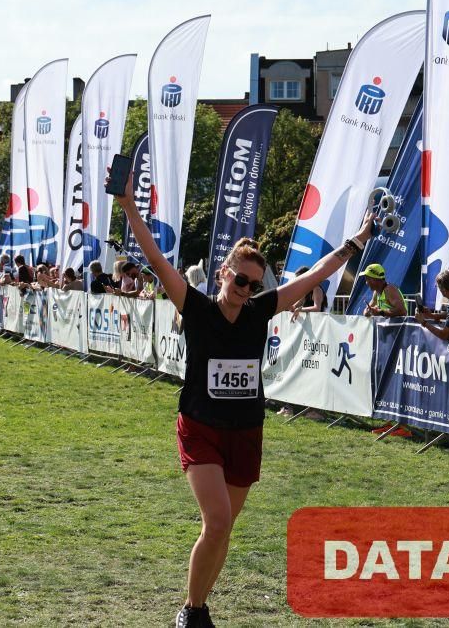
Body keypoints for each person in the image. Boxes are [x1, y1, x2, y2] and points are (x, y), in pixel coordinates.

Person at [111, 168, 375, 628]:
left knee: (223, 530)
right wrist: (129, 205)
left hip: (246, 430)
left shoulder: (259, 311)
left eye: (254, 284)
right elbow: (154, 257)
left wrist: (359, 239)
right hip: (200, 426)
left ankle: (199, 606)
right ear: (224, 273)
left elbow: (319, 271)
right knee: (216, 521)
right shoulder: (194, 306)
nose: (247, 290)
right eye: (240, 281)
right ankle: (192, 611)